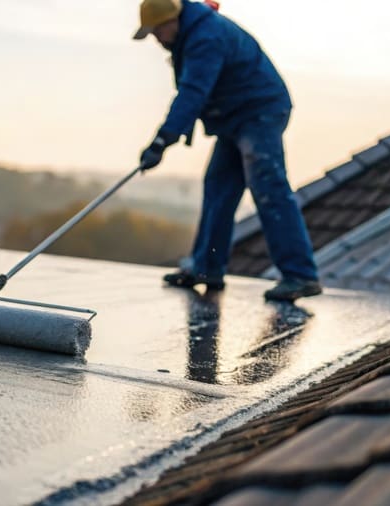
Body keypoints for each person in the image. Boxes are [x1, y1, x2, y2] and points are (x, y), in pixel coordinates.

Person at [133, 0, 322, 301]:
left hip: (258, 112)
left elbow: (194, 91)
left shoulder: (205, 36)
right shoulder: (194, 30)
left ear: (172, 20)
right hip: (234, 117)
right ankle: (206, 268)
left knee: (269, 188)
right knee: (218, 188)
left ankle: (300, 275)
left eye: (157, 32)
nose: (157, 39)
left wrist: (162, 139)